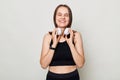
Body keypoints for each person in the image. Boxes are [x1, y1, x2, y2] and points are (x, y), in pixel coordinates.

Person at [40, 4, 85, 80]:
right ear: (55, 17)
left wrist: (71, 44)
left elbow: (80, 64)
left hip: (72, 77)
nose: (62, 17)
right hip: (52, 77)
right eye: (59, 14)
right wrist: (54, 44)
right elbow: (44, 65)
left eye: (66, 15)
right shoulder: (48, 36)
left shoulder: (76, 35)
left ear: (70, 18)